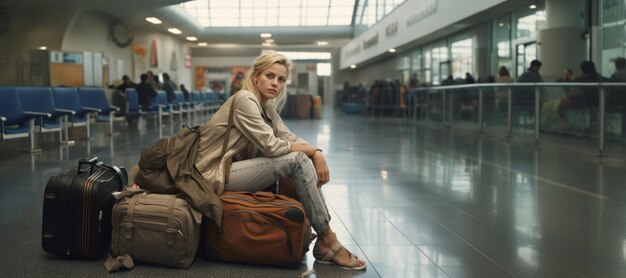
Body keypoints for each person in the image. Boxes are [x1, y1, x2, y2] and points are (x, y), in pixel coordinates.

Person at [194, 51, 366, 271]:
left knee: (301, 156)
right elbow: (271, 145)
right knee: (297, 159)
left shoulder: (266, 107)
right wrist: (312, 152)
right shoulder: (244, 99)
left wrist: (317, 152)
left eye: (281, 79)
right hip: (212, 175)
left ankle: (325, 232)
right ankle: (327, 239)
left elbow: (289, 137)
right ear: (256, 76)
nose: (275, 83)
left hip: (230, 171)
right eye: (269, 76)